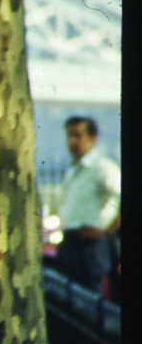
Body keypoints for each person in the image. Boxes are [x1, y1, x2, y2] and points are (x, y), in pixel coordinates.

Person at [55, 116, 121, 292]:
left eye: (78, 135)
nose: (72, 141)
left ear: (93, 138)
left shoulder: (102, 167)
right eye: (69, 136)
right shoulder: (74, 169)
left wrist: (106, 231)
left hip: (90, 244)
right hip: (70, 240)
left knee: (89, 298)